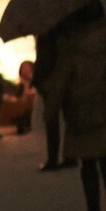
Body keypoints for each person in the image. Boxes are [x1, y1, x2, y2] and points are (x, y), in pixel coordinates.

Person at [50, 1, 106, 211]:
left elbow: (59, 83)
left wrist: (52, 108)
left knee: (88, 162)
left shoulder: (72, 47)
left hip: (82, 109)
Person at [33, 24, 75, 172]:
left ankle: (54, 158)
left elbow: (44, 59)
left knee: (52, 120)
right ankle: (70, 155)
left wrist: (39, 79)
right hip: (65, 79)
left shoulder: (46, 34)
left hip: (51, 80)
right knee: (68, 117)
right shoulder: (66, 29)